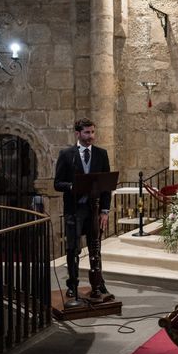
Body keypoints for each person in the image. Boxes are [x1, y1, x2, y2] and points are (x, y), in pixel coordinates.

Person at [54, 117, 112, 299]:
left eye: (93, 132)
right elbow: (57, 183)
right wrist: (72, 186)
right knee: (73, 248)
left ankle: (98, 282)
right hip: (74, 210)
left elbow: (106, 186)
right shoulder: (66, 154)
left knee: (96, 248)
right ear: (78, 133)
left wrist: (105, 211)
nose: (91, 136)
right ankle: (72, 284)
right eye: (87, 133)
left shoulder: (101, 154)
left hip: (94, 210)